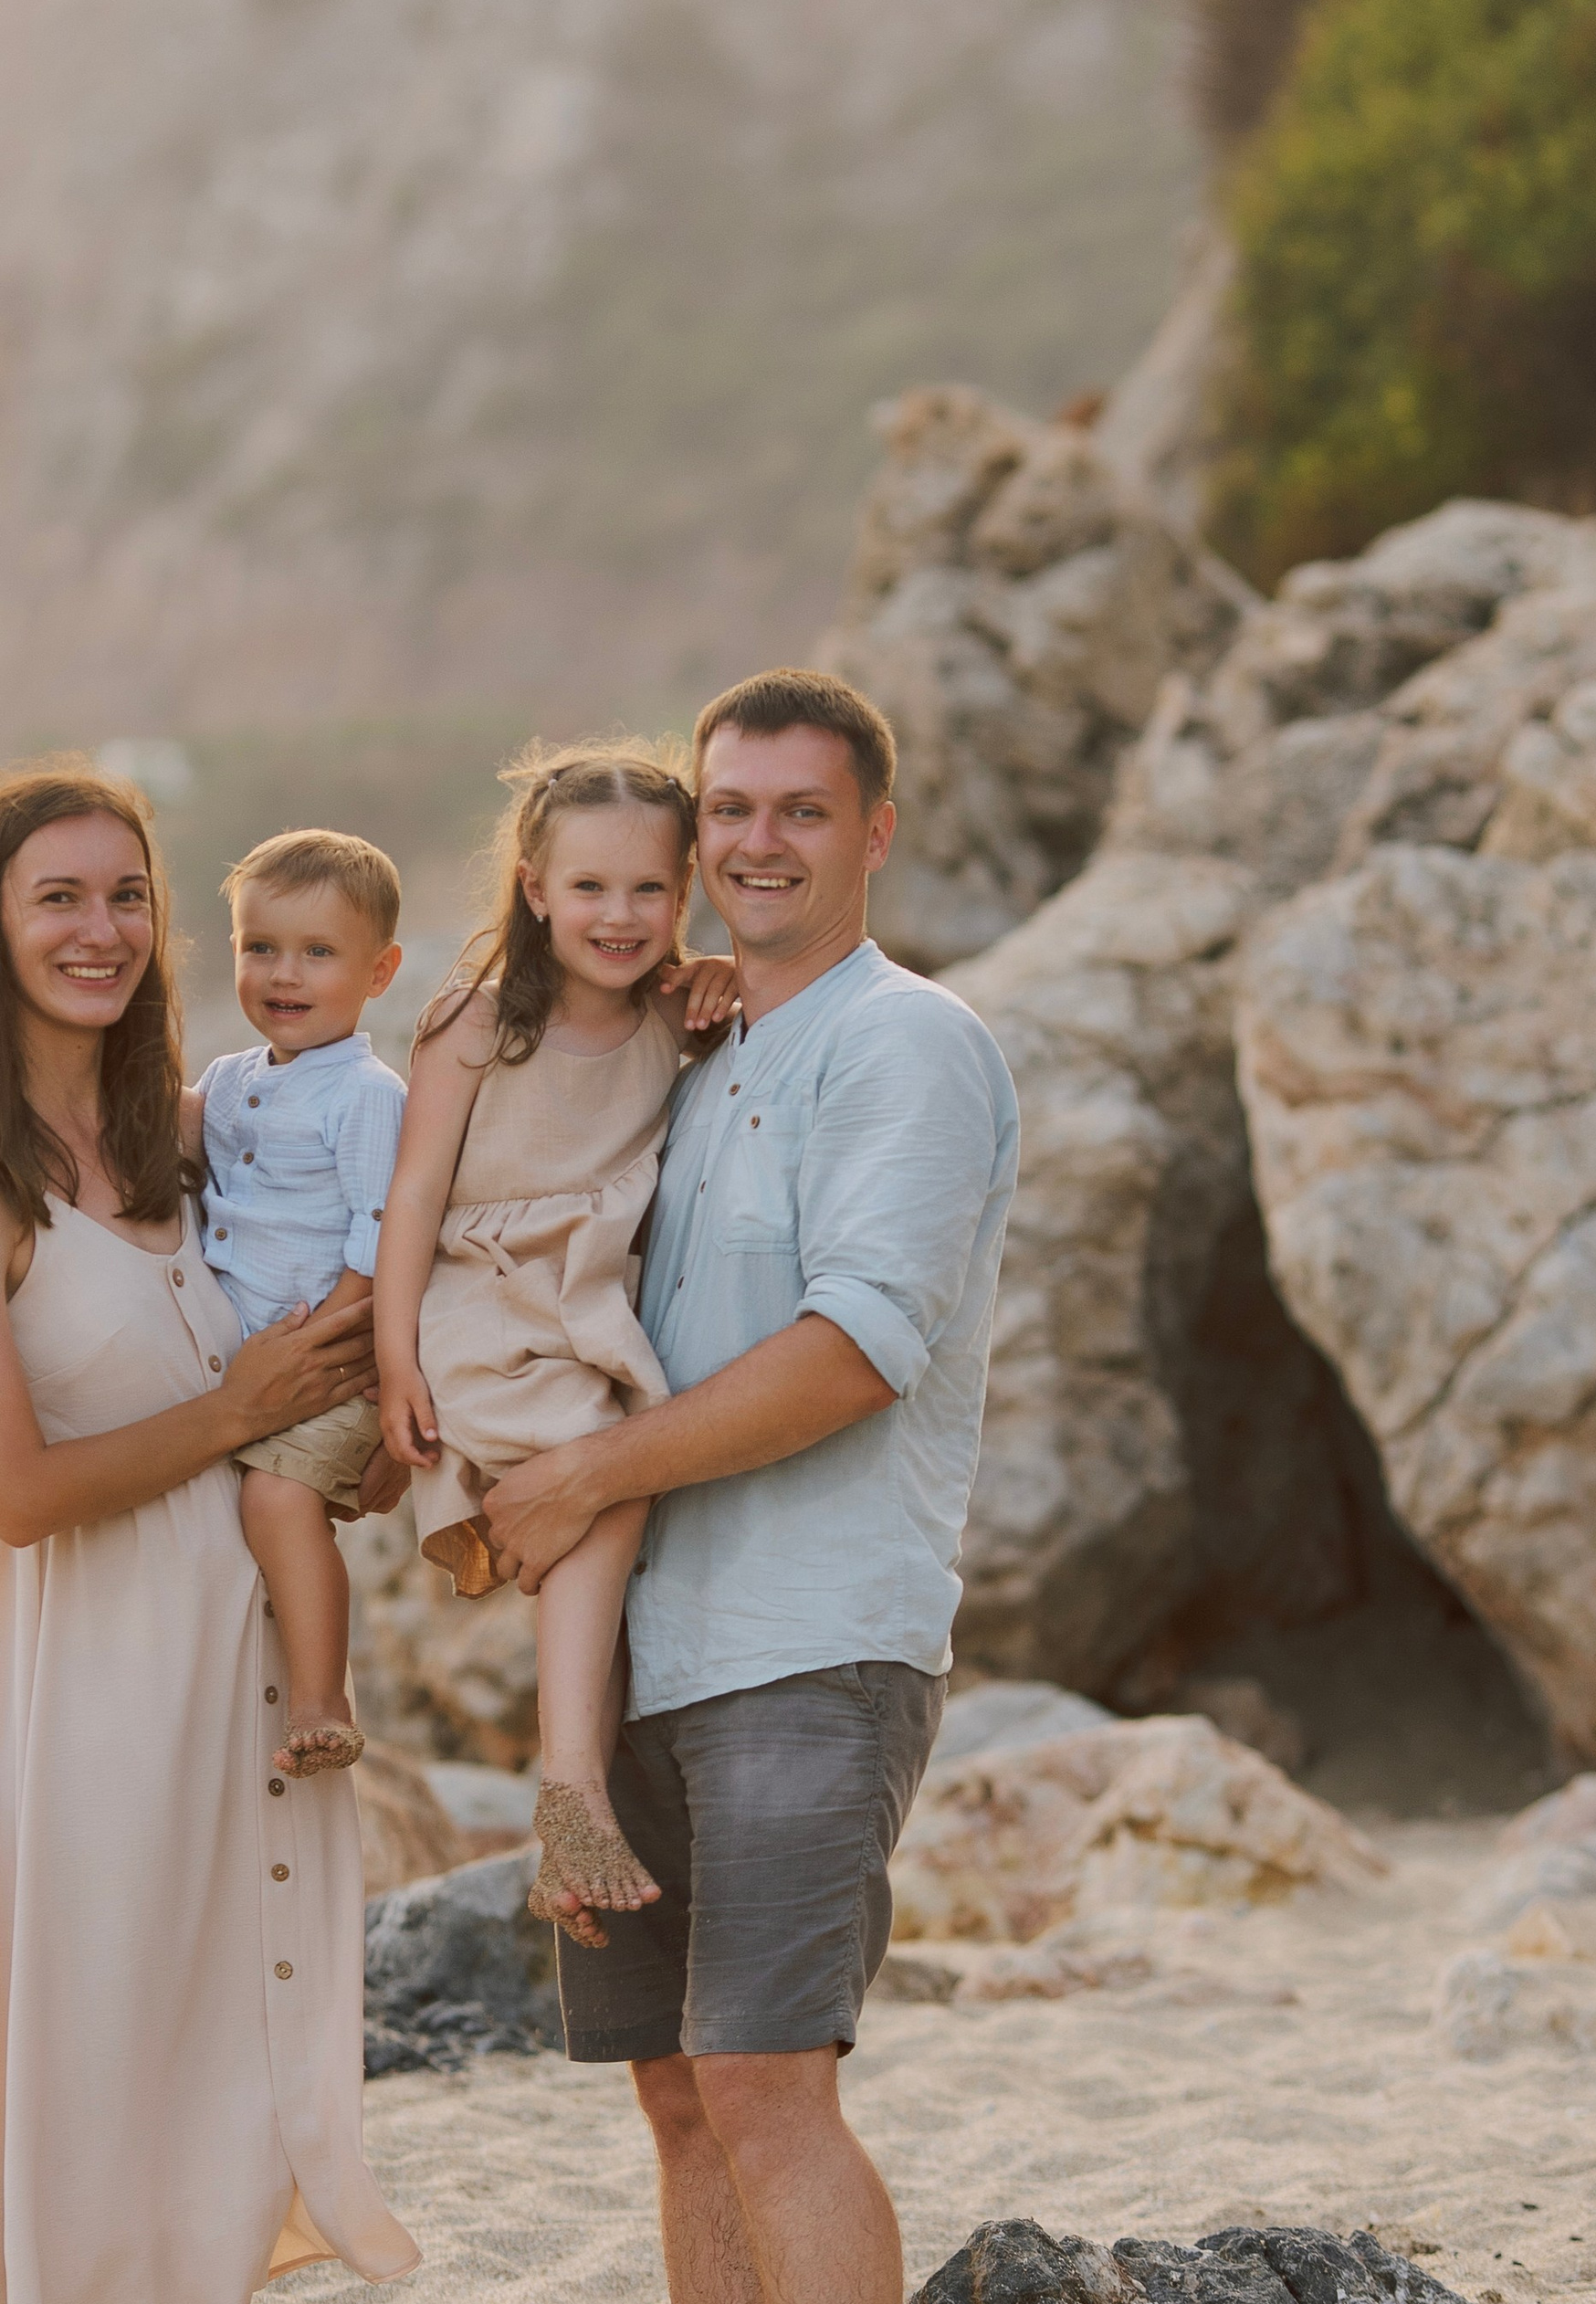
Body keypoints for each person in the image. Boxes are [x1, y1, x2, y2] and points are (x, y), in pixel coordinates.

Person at [478, 672, 1021, 2304]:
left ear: (876, 832)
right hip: (647, 1655)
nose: (760, 842)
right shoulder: (696, 1047)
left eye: (803, 810)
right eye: (730, 809)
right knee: (678, 2096)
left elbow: (856, 1351)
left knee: (767, 2084)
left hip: (812, 1646)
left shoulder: (908, 1044)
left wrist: (582, 1475)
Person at [0, 769, 418, 2304]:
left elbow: (403, 1169)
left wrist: (358, 1437)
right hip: (91, 1677)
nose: (100, 930)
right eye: (59, 897)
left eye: (128, 897)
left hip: (248, 1661)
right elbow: (15, 1494)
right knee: (94, 2049)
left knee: (222, 2054)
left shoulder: (189, 1133)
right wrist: (242, 1410)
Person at [373, 742, 735, 1942]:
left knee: (621, 1478)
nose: (619, 915)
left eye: (648, 889)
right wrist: (394, 1359)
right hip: (487, 1301)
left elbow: (757, 1003)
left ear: (683, 892)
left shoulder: (672, 1018)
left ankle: (580, 1809)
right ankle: (568, 1785)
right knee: (609, 1468)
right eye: (588, 887)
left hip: (586, 1310)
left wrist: (720, 976)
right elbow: (413, 1197)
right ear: (534, 889)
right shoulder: (477, 1022)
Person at [190, 828, 408, 1778]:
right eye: (262, 947)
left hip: (326, 1358)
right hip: (248, 1359)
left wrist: (332, 1342)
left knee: (279, 1501)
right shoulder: (230, 1079)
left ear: (378, 972)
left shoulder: (363, 1093)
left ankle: (322, 1697)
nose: (285, 973)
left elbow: (380, 1226)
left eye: (319, 952)